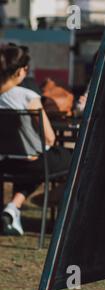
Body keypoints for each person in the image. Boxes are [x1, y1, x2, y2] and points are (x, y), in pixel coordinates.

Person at [0, 44, 72, 236]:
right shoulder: (27, 96)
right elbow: (49, 137)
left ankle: (12, 209)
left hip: (6, 163)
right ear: (20, 71)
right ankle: (55, 202)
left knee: (33, 161)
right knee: (75, 159)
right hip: (32, 163)